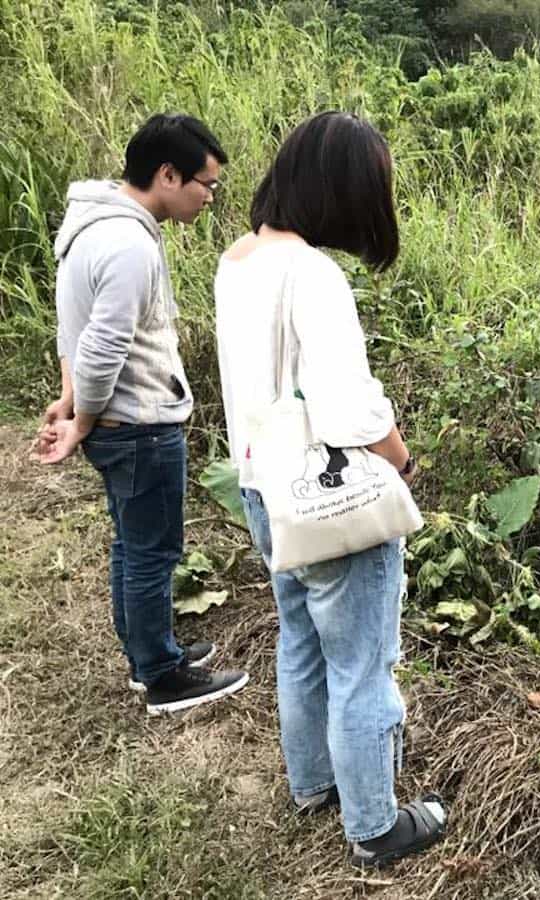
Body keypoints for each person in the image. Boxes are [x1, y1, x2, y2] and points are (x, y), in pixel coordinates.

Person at [214, 111, 446, 868]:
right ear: (341, 188)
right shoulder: (314, 273)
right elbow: (349, 408)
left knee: (302, 643)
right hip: (332, 497)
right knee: (363, 662)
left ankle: (314, 785)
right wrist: (404, 460)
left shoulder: (239, 258)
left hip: (263, 485)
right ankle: (376, 827)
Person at [32, 114, 249, 715]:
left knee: (133, 545)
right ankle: (161, 675)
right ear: (167, 174)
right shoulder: (128, 244)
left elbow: (72, 330)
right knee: (152, 550)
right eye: (206, 184)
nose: (209, 196)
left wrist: (69, 398)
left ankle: (147, 651)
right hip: (138, 425)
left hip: (117, 421)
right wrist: (80, 419)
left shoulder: (90, 226)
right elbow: (102, 345)